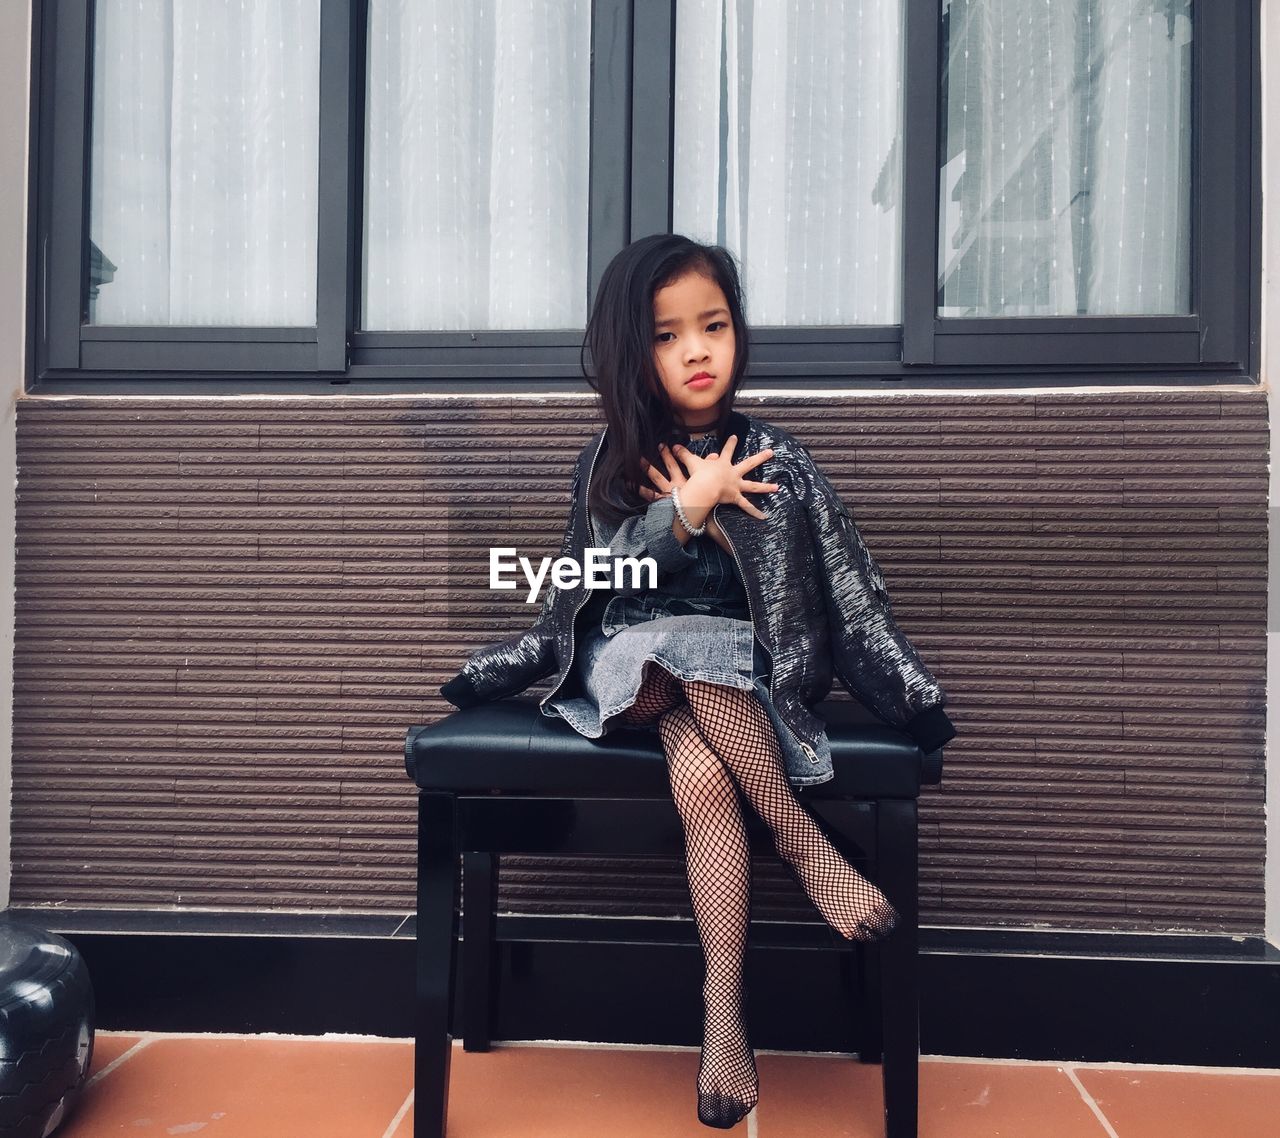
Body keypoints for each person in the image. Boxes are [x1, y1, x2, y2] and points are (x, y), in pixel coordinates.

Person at [441, 233, 955, 1130]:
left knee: (703, 771)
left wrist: (913, 698)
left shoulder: (781, 461)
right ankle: (803, 842)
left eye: (712, 325)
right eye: (668, 334)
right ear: (630, 352)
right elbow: (586, 581)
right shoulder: (609, 461)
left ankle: (724, 1021)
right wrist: (685, 512)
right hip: (625, 671)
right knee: (670, 647)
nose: (696, 350)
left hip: (728, 696)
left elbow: (848, 591)